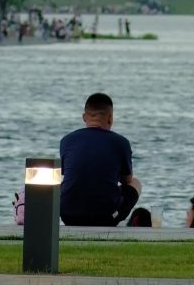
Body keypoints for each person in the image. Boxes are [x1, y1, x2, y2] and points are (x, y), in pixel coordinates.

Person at [60, 92, 141, 226]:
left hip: (68, 215)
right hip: (106, 217)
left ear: (84, 117)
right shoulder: (121, 142)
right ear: (110, 118)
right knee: (136, 183)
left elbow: (69, 174)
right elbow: (127, 180)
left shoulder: (66, 140)